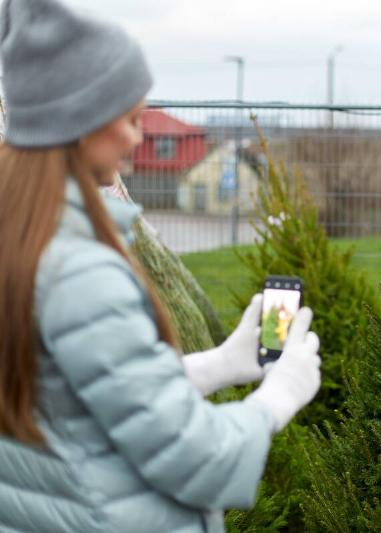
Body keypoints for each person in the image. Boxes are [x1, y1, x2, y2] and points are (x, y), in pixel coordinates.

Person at [0, 1, 321, 531]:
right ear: (81, 124)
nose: (138, 138)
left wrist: (220, 364)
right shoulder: (80, 271)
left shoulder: (24, 239)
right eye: (128, 119)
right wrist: (279, 394)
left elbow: (86, 400)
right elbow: (197, 457)